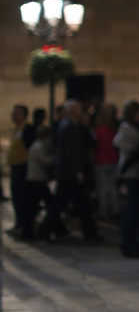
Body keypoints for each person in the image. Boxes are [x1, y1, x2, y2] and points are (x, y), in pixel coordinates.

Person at [42, 100, 101, 242]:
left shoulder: (70, 125)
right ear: (73, 111)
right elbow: (71, 152)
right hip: (69, 174)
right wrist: (78, 171)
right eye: (79, 109)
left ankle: (90, 232)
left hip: (69, 173)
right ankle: (45, 231)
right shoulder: (68, 126)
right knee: (60, 204)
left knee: (82, 204)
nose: (82, 111)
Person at [115, 100, 139, 258]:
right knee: (132, 211)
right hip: (133, 175)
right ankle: (128, 244)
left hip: (136, 174)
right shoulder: (129, 130)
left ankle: (131, 243)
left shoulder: (132, 128)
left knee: (134, 211)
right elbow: (134, 153)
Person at [22, 124, 54, 240]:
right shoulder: (39, 147)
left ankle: (57, 228)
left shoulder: (38, 145)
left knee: (42, 206)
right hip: (36, 181)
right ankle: (28, 233)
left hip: (37, 181)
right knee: (34, 208)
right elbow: (47, 161)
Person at [92, 104, 120, 220]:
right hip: (113, 161)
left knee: (102, 190)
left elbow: (94, 147)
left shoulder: (97, 132)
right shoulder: (113, 130)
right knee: (113, 189)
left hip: (100, 162)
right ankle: (115, 210)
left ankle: (104, 212)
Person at [8, 105, 33, 236]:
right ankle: (19, 223)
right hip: (16, 168)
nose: (13, 116)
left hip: (23, 168)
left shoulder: (27, 128)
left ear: (23, 115)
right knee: (16, 198)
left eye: (16, 113)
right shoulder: (17, 128)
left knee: (21, 198)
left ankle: (23, 224)